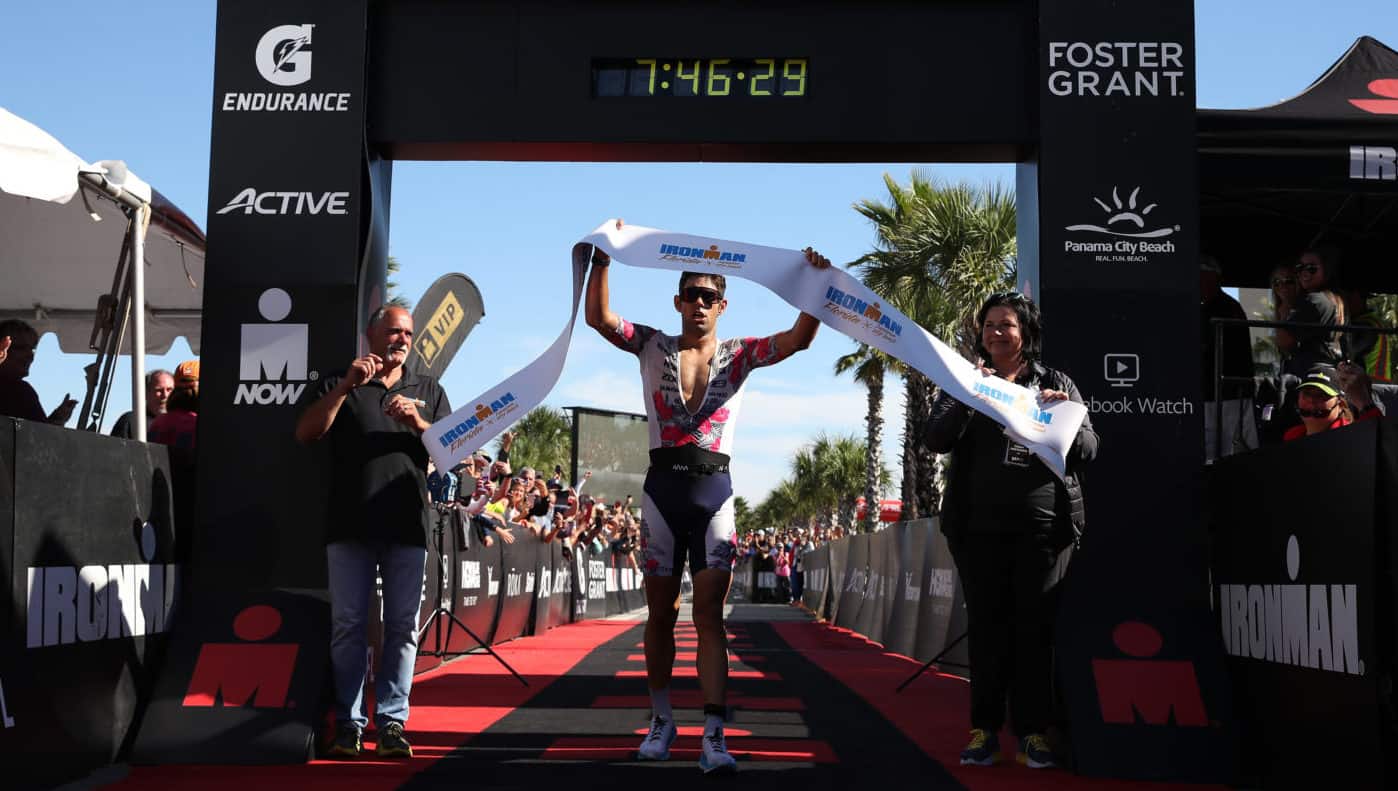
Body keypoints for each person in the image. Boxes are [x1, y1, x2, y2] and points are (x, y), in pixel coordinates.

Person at [585, 219, 830, 774]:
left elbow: (797, 341)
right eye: (691, 295)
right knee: (659, 617)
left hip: (715, 495)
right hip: (661, 493)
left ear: (724, 305)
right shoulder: (651, 343)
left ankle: (715, 732)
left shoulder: (740, 355)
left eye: (709, 297)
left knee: (710, 618)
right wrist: (603, 255)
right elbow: (598, 318)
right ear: (677, 301)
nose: (699, 304)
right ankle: (662, 719)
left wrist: (813, 288)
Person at [921, 291, 1098, 771]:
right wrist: (966, 397)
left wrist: (1063, 416)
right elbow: (934, 439)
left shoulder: (1056, 382)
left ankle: (1035, 733)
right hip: (977, 531)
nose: (997, 332)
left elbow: (1088, 448)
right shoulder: (964, 380)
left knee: (1034, 634)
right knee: (988, 634)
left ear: (1027, 333)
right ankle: (983, 730)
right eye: (990, 325)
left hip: (1043, 532)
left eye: (1008, 325)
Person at [294, 306, 451, 760]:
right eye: (392, 331)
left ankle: (392, 723)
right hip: (349, 522)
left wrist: (418, 424)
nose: (400, 339)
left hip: (407, 525)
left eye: (406, 333)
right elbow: (305, 433)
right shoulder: (338, 381)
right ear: (370, 334)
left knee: (402, 629)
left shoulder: (428, 389)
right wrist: (346, 386)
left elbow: (452, 455)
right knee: (348, 627)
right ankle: (347, 722)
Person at [1200, 254, 1258, 462]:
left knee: (1228, 452)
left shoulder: (1227, 307)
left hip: (1229, 395)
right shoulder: (1205, 306)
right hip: (1210, 394)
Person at [1277, 247, 1344, 377]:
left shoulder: (1314, 301)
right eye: (1300, 268)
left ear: (1326, 270)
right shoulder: (1336, 300)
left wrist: (1284, 312)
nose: (1304, 273)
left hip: (1309, 375)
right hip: (1329, 373)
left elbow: (1284, 342)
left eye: (1311, 268)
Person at [0, 319, 77, 425]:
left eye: (32, 349)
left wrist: (56, 418)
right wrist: (56, 420)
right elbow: (42, 439)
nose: (30, 355)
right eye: (21, 348)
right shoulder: (20, 391)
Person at [1282, 363, 1380, 441]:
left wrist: (1364, 403)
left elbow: (1380, 437)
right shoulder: (1291, 436)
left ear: (1341, 404)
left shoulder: (1351, 435)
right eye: (1307, 393)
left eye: (1322, 395)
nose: (1311, 400)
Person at [111, 369, 175, 439]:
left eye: (169, 390)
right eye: (159, 390)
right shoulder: (131, 421)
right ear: (145, 393)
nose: (165, 395)